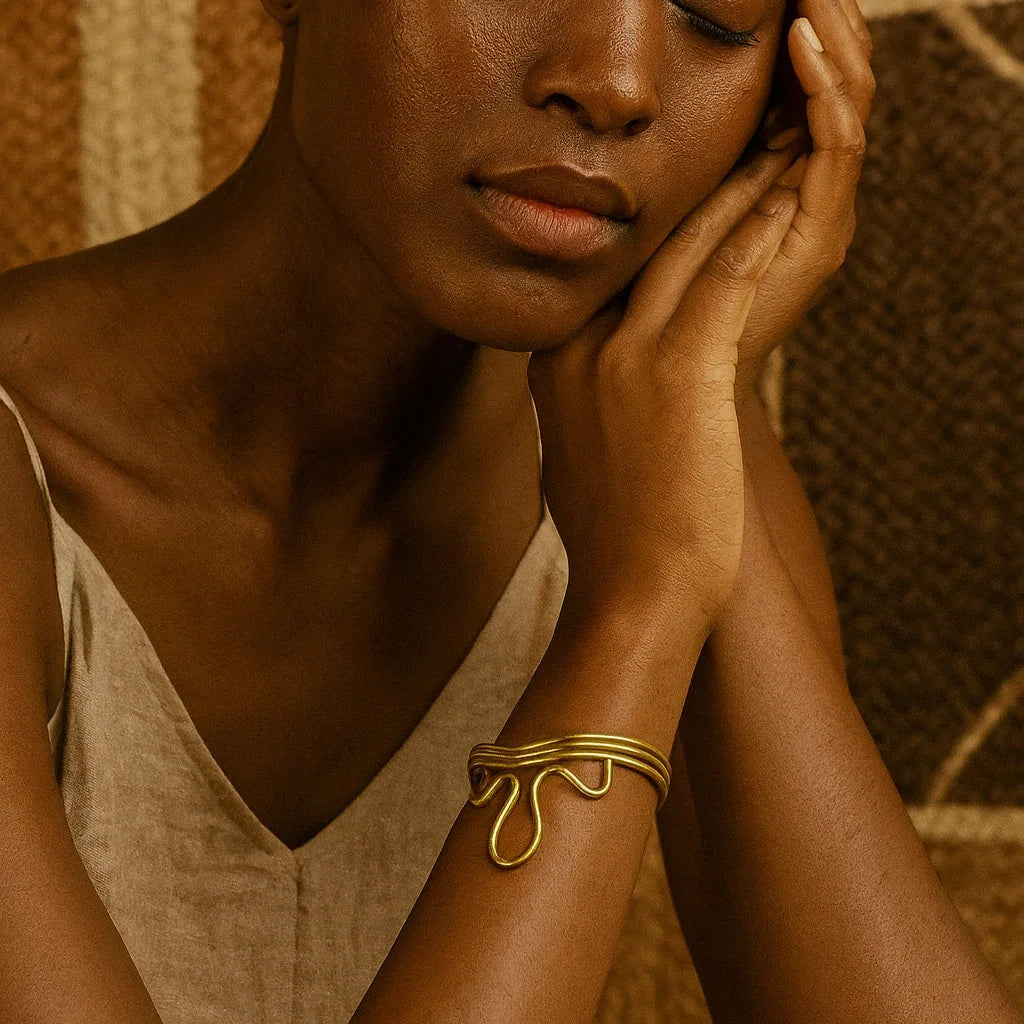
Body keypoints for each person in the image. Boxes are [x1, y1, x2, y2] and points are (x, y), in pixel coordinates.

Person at [0, 0, 1019, 1020]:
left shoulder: (661, 456)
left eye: (715, 9)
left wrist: (698, 405)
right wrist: (639, 610)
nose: (616, 81)